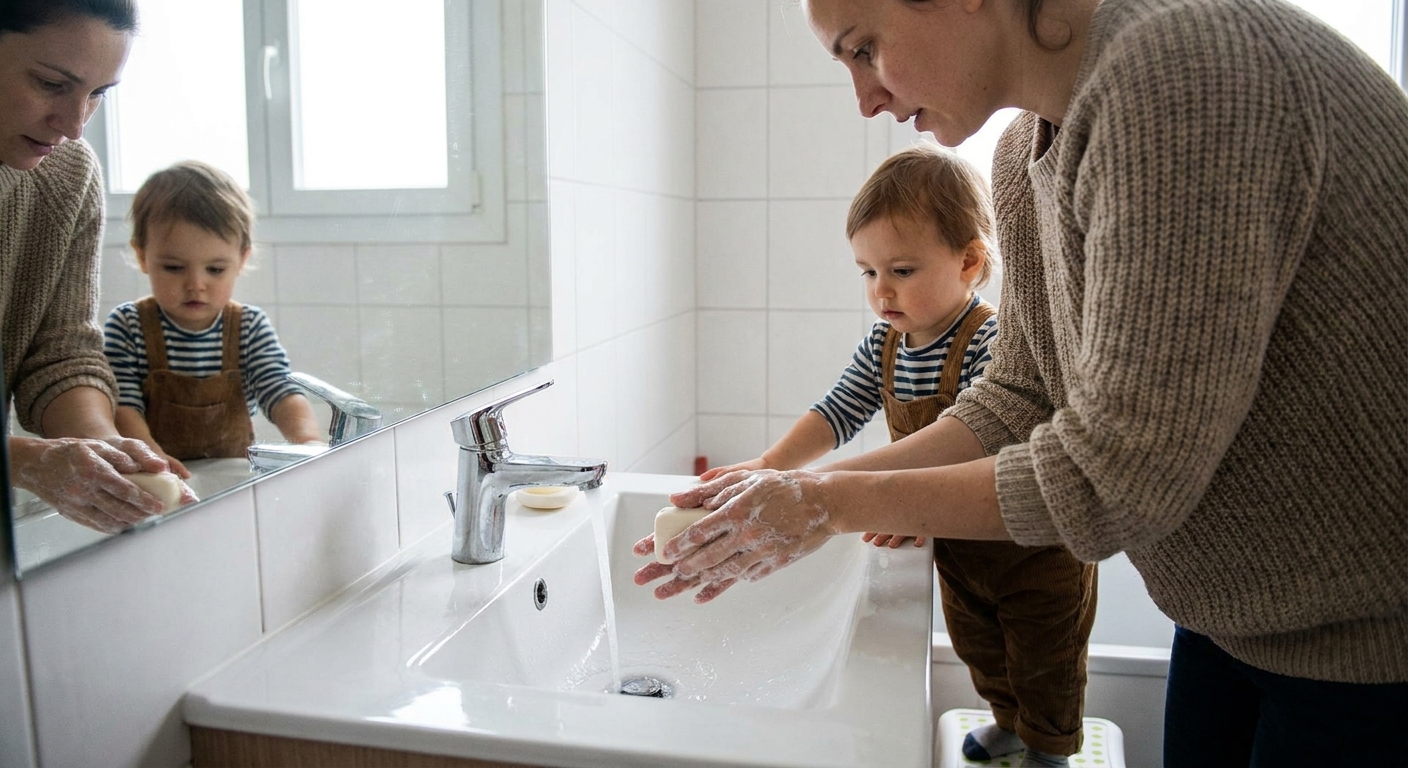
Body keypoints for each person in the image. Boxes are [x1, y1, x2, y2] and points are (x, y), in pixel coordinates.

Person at [636, 0, 1408, 763]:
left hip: (1365, 647)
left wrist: (826, 502)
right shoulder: (1019, 156)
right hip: (1229, 616)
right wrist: (802, 491)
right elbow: (1020, 394)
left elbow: (1120, 474)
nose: (866, 97)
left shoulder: (1182, 71)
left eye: (865, 48)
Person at [694, 145, 1094, 766]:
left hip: (1030, 548)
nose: (881, 291)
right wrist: (773, 466)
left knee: (1045, 655)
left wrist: (885, 503)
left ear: (968, 262)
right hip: (956, 544)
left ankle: (1049, 747)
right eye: (867, 272)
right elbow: (838, 410)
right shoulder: (887, 342)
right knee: (979, 645)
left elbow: (980, 442)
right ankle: (1008, 721)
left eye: (902, 271)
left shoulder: (993, 339)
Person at [1, 0, 183, 534]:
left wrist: (100, 444)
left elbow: (58, 352)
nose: (75, 126)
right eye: (52, 84)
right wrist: (26, 462)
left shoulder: (67, 174)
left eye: (97, 95)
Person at [103, 161, 322, 474]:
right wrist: (152, 460)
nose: (196, 284)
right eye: (174, 268)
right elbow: (123, 407)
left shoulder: (248, 326)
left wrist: (307, 443)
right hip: (155, 476)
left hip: (230, 475)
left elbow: (281, 392)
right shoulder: (129, 326)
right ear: (142, 256)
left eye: (215, 270)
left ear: (241, 259)